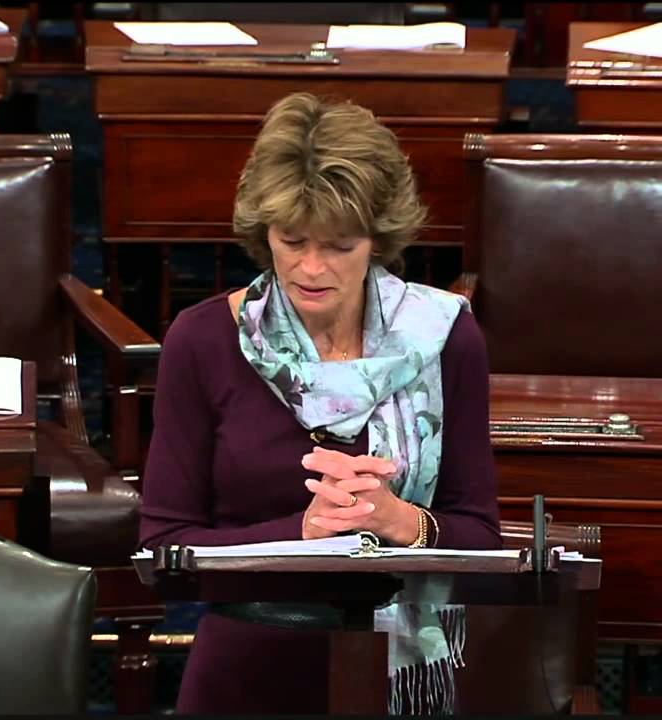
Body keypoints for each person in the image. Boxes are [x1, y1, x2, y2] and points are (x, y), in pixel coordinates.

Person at [138, 91, 501, 715]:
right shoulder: (202, 340)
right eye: (292, 239)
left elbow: (479, 534)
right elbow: (167, 549)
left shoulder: (445, 337)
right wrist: (303, 535)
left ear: (378, 240)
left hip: (399, 675)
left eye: (340, 245)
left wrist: (397, 522)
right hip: (249, 664)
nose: (311, 268)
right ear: (264, 232)